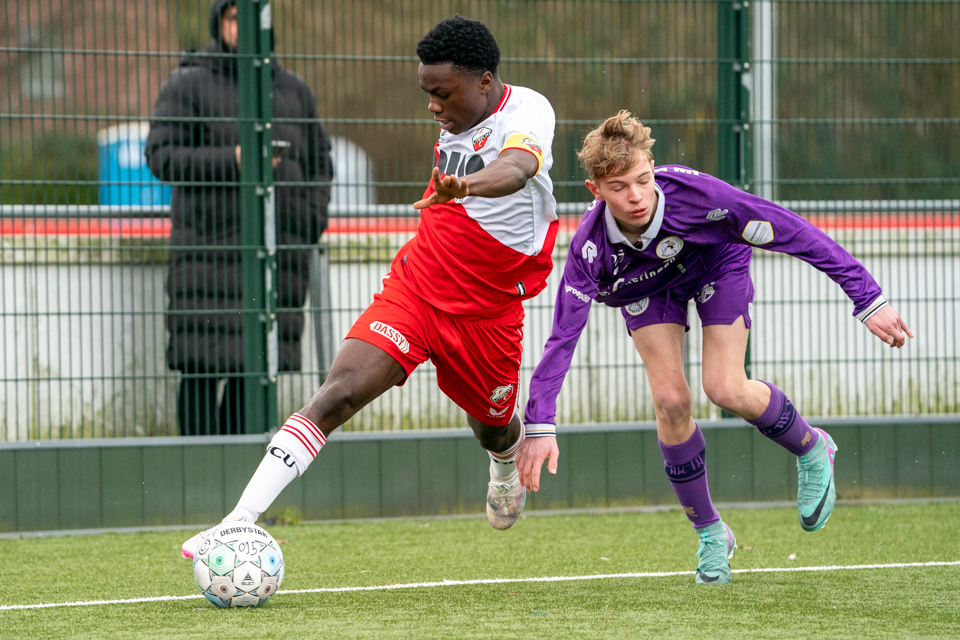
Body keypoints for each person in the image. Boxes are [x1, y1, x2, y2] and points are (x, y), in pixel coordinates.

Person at [181, 15, 557, 556]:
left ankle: (503, 459)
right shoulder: (460, 112)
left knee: (492, 427)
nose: (433, 107)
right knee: (338, 394)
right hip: (419, 286)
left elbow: (517, 168)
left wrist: (466, 185)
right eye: (427, 93)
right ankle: (236, 521)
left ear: (484, 81)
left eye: (442, 94)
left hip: (487, 312)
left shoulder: (527, 111)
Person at [518, 111, 913, 585]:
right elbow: (563, 336)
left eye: (642, 180)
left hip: (715, 262)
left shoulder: (700, 196)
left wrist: (868, 298)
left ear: (652, 168)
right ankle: (711, 533)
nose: (636, 196)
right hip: (647, 289)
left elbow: (793, 231)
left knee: (724, 387)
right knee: (670, 402)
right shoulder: (590, 249)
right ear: (595, 190)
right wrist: (540, 423)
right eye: (618, 187)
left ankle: (812, 448)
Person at [145, 0, 333, 435]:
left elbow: (320, 162)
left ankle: (244, 473)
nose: (242, 27)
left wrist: (308, 219)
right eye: (233, 18)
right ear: (219, 23)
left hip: (277, 257)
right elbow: (161, 155)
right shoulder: (188, 82)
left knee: (255, 374)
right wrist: (233, 159)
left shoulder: (292, 89)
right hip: (208, 255)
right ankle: (197, 467)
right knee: (200, 369)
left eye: (249, 17)